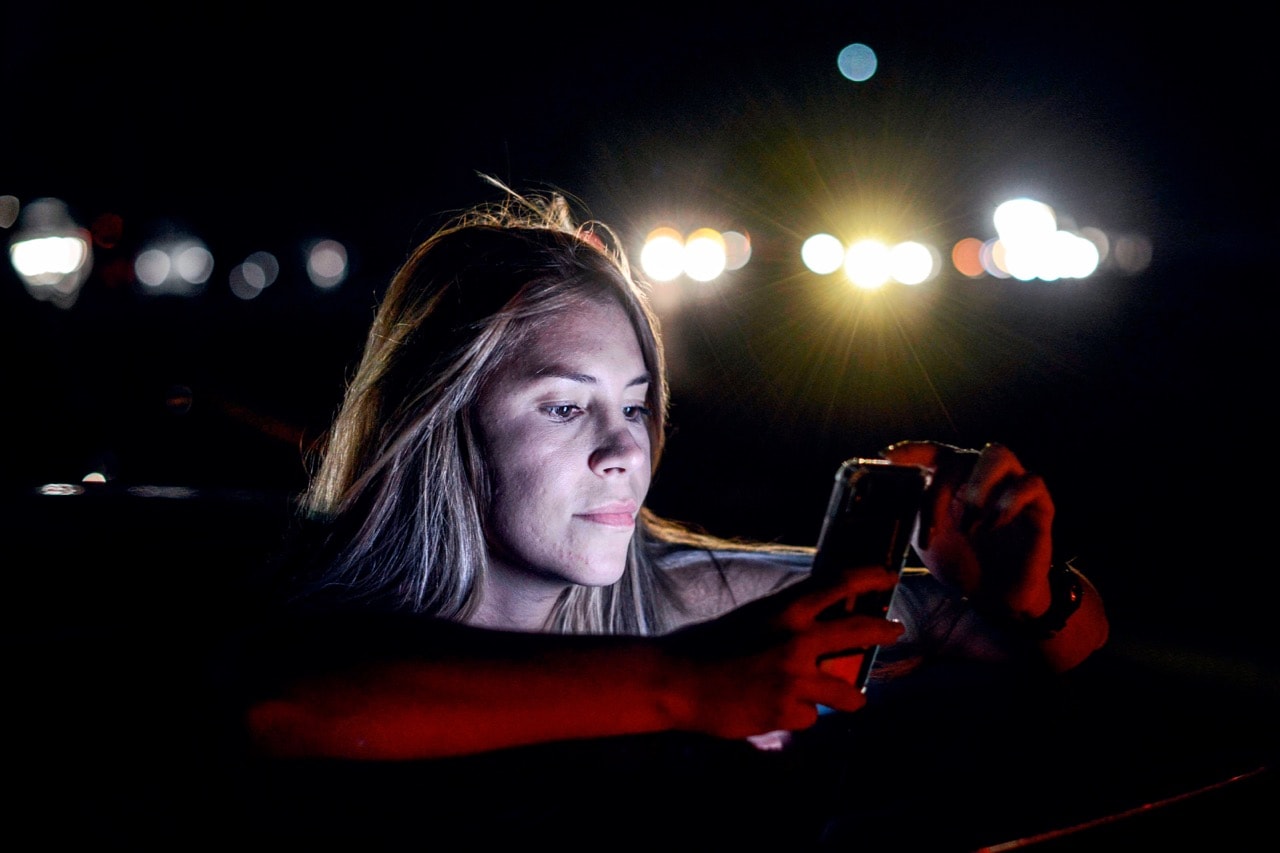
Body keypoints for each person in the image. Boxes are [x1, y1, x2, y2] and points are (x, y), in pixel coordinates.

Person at [234, 177, 1109, 765]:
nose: (626, 450)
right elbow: (283, 706)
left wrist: (1029, 597)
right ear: (441, 425)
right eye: (566, 406)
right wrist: (688, 684)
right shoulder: (321, 626)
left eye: (636, 404)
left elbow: (1071, 654)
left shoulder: (692, 600)